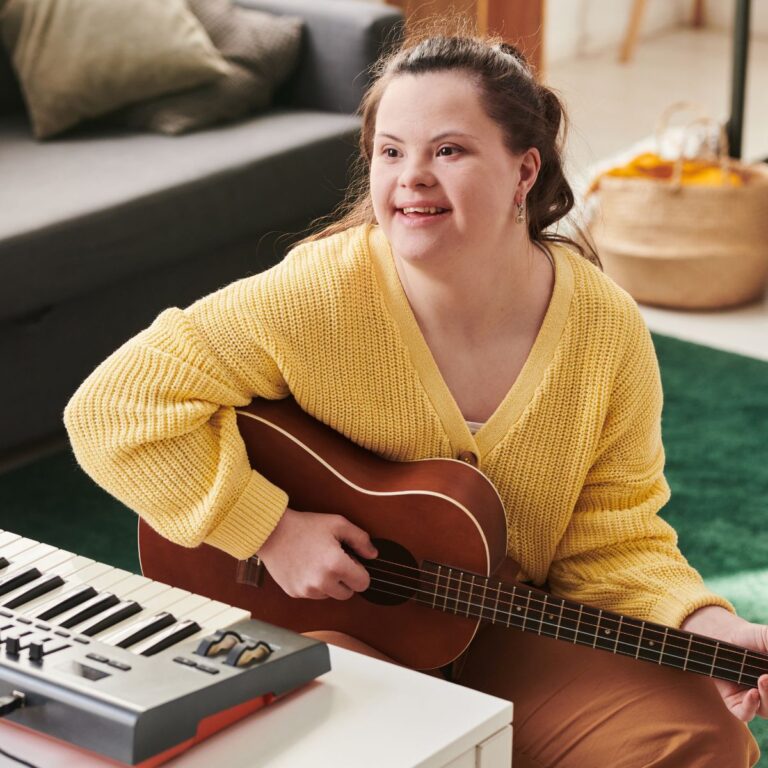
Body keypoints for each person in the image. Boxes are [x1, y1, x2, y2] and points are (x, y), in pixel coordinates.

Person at [64, 25, 764, 768]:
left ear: (524, 172)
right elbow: (113, 408)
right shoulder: (320, 294)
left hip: (505, 624)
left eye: (449, 150)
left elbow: (613, 536)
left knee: (701, 739)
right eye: (391, 152)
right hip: (324, 629)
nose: (412, 178)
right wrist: (268, 529)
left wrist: (703, 623)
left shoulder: (604, 328)